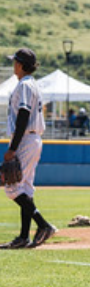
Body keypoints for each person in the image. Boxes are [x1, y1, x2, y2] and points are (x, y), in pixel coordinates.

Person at [1, 48, 56, 249]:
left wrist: (13, 148)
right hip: (32, 139)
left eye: (15, 61)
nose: (13, 65)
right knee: (25, 189)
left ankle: (43, 225)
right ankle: (24, 236)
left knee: (12, 188)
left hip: (24, 139)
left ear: (21, 64)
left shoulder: (24, 85)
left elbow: (23, 115)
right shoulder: (32, 84)